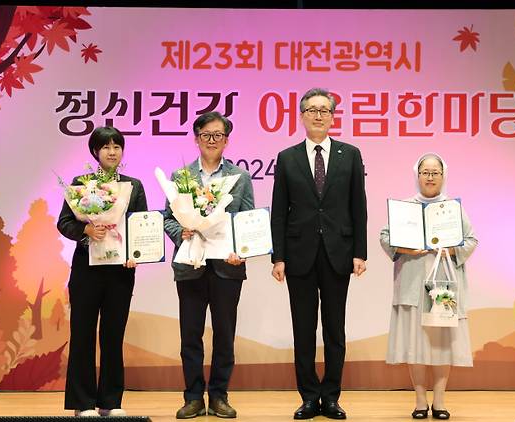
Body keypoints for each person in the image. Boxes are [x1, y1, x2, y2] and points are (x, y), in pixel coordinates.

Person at [270, 88, 368, 420]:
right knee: (303, 330)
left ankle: (332, 396)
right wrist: (278, 257)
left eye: (324, 110)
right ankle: (310, 396)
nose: (318, 115)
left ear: (333, 116)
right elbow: (279, 213)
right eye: (311, 110)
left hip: (339, 253)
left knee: (334, 330)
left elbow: (359, 208)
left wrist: (360, 252)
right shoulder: (287, 157)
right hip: (298, 255)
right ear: (302, 116)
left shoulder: (350, 154)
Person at [164, 111, 254, 419]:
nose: (212, 140)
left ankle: (219, 396)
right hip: (190, 265)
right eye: (206, 135)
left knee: (224, 335)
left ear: (227, 141)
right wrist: (182, 232)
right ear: (197, 138)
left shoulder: (240, 178)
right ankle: (192, 397)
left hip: (227, 266)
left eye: (218, 135)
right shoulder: (180, 177)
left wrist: (241, 249)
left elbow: (247, 219)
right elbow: (168, 219)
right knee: (190, 334)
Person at [379, 153, 478, 420]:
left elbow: (471, 240)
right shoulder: (405, 208)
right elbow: (385, 237)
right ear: (417, 175)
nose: (430, 177)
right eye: (425, 172)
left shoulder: (452, 209)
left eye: (435, 172)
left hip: (443, 284)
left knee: (442, 343)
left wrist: (451, 248)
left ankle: (440, 401)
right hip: (411, 283)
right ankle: (420, 400)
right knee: (415, 344)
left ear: (443, 176)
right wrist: (405, 247)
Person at [58, 126, 148, 417]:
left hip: (121, 271)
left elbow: (141, 224)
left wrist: (137, 254)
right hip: (87, 269)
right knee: (82, 334)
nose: (112, 151)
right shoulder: (81, 184)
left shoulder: (133, 186)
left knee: (113, 336)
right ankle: (82, 403)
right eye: (106, 146)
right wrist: (85, 229)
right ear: (95, 152)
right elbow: (63, 223)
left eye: (117, 146)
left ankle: (110, 402)